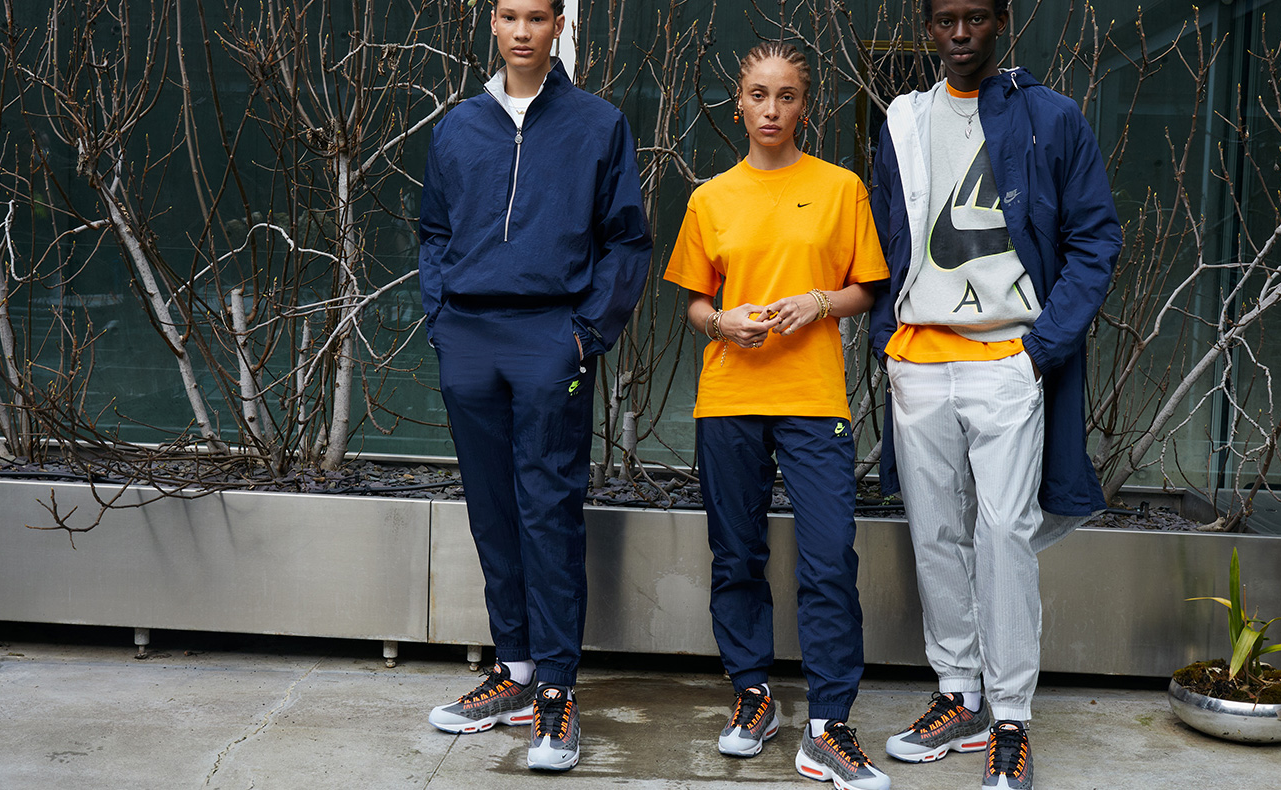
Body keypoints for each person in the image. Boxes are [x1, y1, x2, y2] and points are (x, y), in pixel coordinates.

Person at [867, 1, 1121, 788]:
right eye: (945, 19)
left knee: (1005, 532)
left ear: (1002, 21)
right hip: (920, 359)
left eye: (975, 17)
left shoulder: (1052, 117)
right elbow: (886, 234)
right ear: (927, 26)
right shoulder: (903, 121)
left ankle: (1011, 716)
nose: (959, 33)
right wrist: (887, 339)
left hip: (1008, 358)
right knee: (935, 531)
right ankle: (959, 695)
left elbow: (1095, 238)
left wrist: (1039, 352)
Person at [417, 0, 651, 773]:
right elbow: (434, 232)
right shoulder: (458, 127)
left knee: (547, 510)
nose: (523, 31)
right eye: (510, 16)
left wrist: (585, 334)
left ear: (559, 27)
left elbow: (626, 241)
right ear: (492, 23)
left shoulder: (597, 124)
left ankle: (556, 688)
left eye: (537, 17)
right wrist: (441, 320)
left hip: (552, 338)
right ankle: (513, 671)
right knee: (492, 509)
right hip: (470, 340)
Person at [662, 41, 893, 790]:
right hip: (730, 397)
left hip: (812, 400)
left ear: (804, 107)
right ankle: (752, 693)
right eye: (758, 94)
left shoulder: (840, 188)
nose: (771, 109)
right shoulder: (710, 199)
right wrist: (720, 322)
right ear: (739, 104)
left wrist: (819, 302)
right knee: (736, 556)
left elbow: (866, 286)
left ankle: (828, 726)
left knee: (829, 560)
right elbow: (696, 301)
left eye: (786, 96)